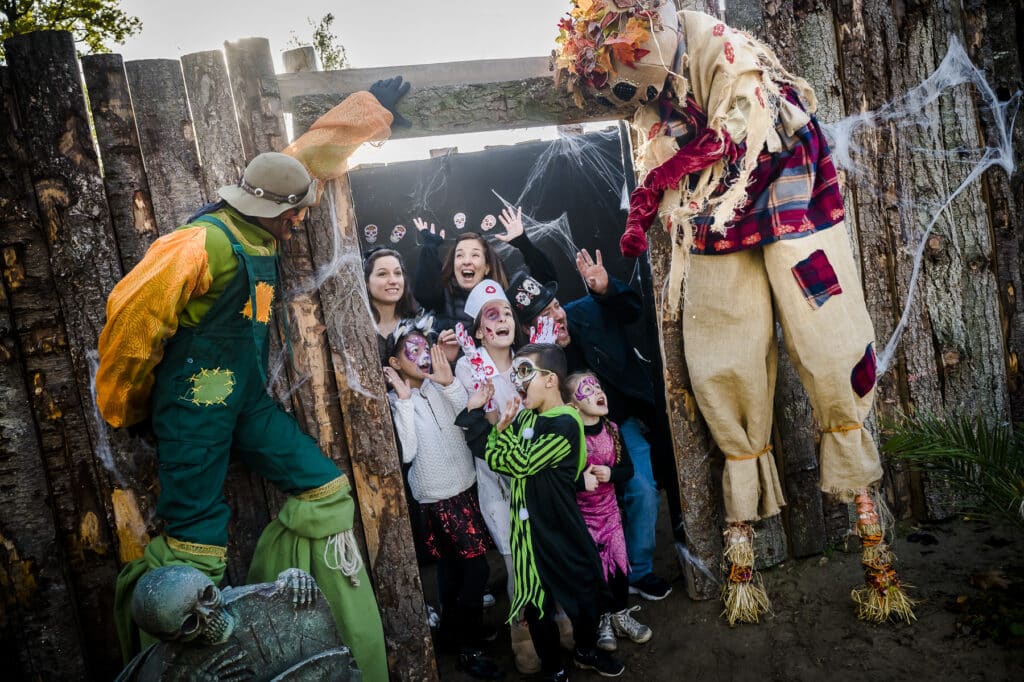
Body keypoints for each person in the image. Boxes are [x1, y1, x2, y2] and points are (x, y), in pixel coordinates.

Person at [552, 1, 912, 624]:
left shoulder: (719, 47)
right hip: (714, 212)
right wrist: (657, 186)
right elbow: (662, 144)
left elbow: (737, 125)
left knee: (830, 339)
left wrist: (656, 186)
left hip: (787, 185)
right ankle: (742, 564)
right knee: (724, 355)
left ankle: (877, 557)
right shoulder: (650, 100)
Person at [96, 151, 388, 678]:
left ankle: (287, 605)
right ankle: (177, 655)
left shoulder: (263, 227)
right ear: (265, 206)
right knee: (197, 543)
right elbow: (133, 322)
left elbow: (297, 163)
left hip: (247, 402)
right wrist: (127, 405)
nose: (299, 220)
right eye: (293, 212)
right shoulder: (200, 242)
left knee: (325, 488)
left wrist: (362, 125)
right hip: (193, 414)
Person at [506, 254, 674, 603]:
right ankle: (599, 582)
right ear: (529, 329)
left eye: (555, 306)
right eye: (544, 315)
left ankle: (639, 571)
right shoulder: (530, 362)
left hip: (619, 425)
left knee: (643, 489)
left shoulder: (585, 311)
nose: (557, 316)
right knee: (583, 509)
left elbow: (632, 310)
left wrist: (607, 288)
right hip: (570, 442)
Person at [484, 343, 624, 680]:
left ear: (550, 380)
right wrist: (502, 434)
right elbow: (497, 460)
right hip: (528, 534)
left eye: (525, 372)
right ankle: (553, 668)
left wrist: (501, 435)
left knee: (586, 591)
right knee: (536, 604)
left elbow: (517, 463)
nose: (517, 382)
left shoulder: (566, 423)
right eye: (515, 373)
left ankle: (585, 650)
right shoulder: (526, 417)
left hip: (561, 526)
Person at [383, 317, 501, 680]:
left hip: (466, 487)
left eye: (425, 347)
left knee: (452, 571)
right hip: (437, 499)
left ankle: (455, 633)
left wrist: (448, 382)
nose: (421, 355)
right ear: (395, 363)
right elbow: (407, 453)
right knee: (476, 569)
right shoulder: (396, 402)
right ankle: (469, 647)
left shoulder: (439, 385)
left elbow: (467, 413)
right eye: (412, 350)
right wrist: (405, 401)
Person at [564, 372, 652, 652]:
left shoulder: (613, 429)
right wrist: (581, 480)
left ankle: (620, 615)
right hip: (583, 519)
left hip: (611, 515)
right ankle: (603, 620)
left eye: (598, 387)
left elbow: (628, 470)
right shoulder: (571, 437)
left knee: (619, 568)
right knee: (595, 573)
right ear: (573, 405)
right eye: (587, 390)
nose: (597, 392)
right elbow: (561, 479)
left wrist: (611, 473)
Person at [414, 206, 558, 330]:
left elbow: (547, 282)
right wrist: (430, 246)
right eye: (460, 255)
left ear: (487, 267)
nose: (466, 261)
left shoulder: (505, 296)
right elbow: (425, 294)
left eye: (475, 255)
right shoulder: (442, 296)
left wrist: (523, 243)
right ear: (453, 265)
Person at [364, 247, 422, 362]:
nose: (393, 281)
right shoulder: (356, 328)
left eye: (397, 273)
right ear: (366, 283)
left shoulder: (418, 325)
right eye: (382, 274)